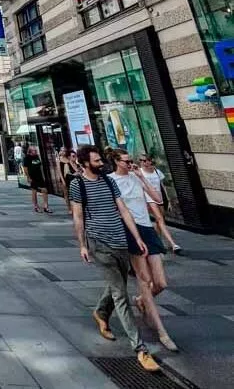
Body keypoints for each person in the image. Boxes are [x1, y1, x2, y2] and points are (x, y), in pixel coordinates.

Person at [70, 145, 161, 373]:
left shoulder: (109, 182)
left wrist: (137, 237)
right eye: (97, 161)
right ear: (84, 163)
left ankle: (101, 312)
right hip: (99, 243)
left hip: (121, 239)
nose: (101, 164)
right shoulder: (78, 184)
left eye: (101, 160)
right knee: (121, 294)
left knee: (117, 284)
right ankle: (140, 348)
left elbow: (123, 211)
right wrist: (82, 244)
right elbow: (78, 216)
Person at [108, 150, 177, 352]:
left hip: (148, 229)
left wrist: (142, 179)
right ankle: (162, 332)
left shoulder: (136, 177)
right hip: (131, 231)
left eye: (131, 161)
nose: (131, 164)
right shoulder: (111, 181)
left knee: (161, 283)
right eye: (127, 161)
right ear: (116, 162)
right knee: (144, 281)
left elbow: (157, 199)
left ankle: (140, 301)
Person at [139, 155, 181, 253]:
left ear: (150, 161)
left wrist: (169, 199)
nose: (143, 163)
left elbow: (163, 186)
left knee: (160, 222)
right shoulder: (139, 172)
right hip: (149, 199)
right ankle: (172, 244)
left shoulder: (157, 172)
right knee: (159, 219)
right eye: (141, 161)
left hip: (159, 199)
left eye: (145, 160)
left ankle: (157, 242)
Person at [23, 145, 52, 213]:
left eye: (36, 150)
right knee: (34, 191)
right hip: (32, 177)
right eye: (34, 150)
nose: (36, 151)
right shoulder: (27, 158)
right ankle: (36, 206)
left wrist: (43, 176)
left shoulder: (37, 157)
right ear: (30, 151)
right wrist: (28, 177)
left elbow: (40, 166)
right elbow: (25, 168)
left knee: (45, 190)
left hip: (39, 176)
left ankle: (46, 206)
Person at [58, 148, 78, 214]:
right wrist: (63, 180)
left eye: (64, 151)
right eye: (62, 150)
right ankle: (69, 208)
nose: (63, 152)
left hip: (69, 176)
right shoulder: (58, 159)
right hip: (63, 178)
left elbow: (73, 167)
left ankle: (73, 207)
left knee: (71, 192)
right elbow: (59, 171)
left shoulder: (68, 159)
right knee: (66, 193)